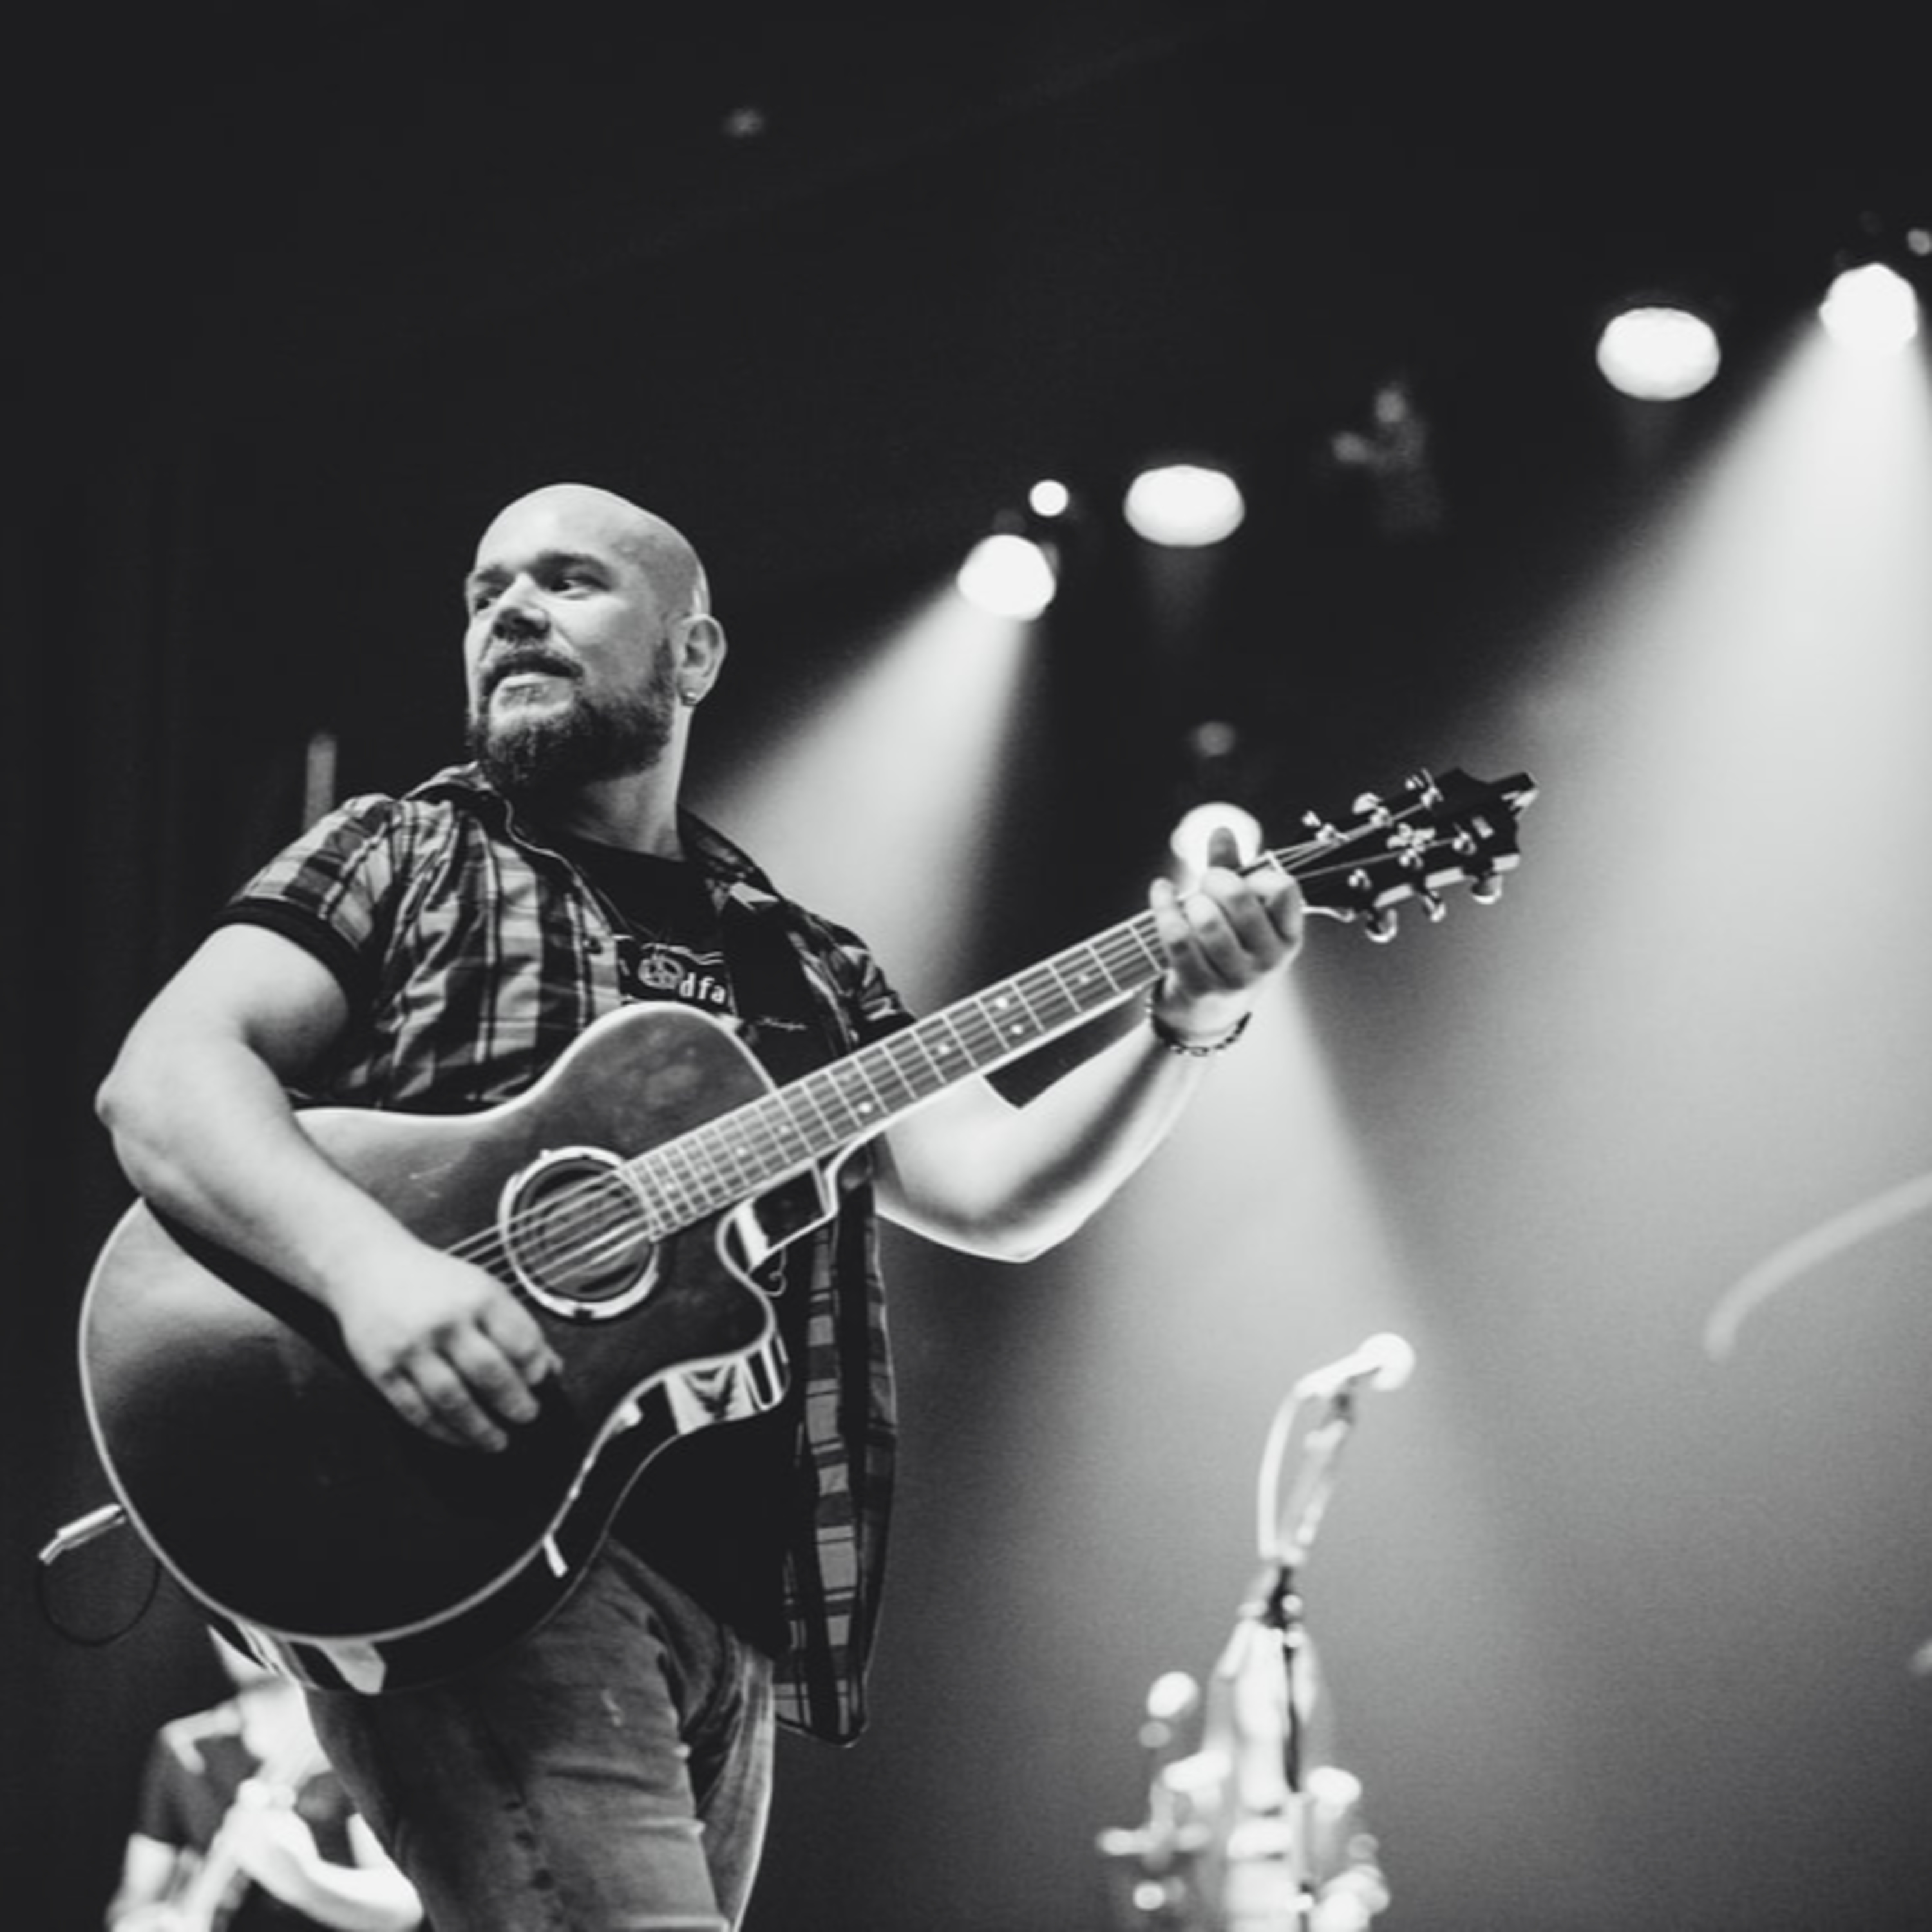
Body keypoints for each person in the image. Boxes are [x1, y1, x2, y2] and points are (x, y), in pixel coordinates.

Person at [95, 481, 1304, 1931]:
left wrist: (1184, 1025)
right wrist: (373, 1272)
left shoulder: (807, 964)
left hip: (732, 1608)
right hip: (480, 1552)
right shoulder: (401, 852)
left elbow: (998, 1195)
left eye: (568, 581)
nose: (510, 611)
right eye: (485, 592)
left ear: (695, 653)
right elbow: (164, 1083)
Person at [104, 1632, 424, 1931]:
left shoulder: (352, 1747)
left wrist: (302, 1880)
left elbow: (404, 1908)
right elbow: (137, 1896)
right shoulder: (185, 1747)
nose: (242, 1634)